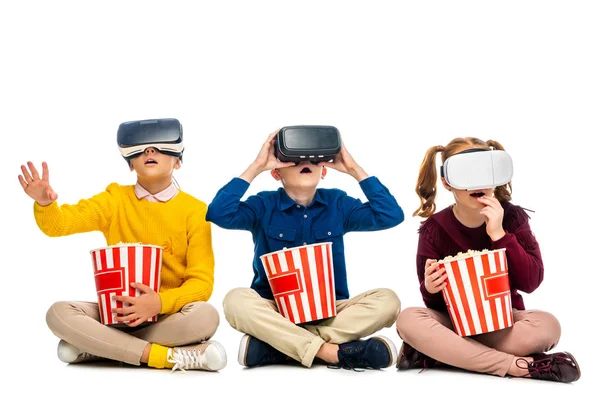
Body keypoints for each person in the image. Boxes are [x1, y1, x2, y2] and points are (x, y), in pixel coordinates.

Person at [18, 118, 226, 372]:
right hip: (116, 314)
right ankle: (164, 356)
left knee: (206, 316)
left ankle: (98, 348)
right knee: (58, 313)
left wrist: (158, 302)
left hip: (167, 316)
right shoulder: (115, 200)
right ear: (130, 163)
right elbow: (60, 225)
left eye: (160, 147)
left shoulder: (195, 211)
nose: (150, 151)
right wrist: (45, 203)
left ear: (178, 161)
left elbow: (202, 283)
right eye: (142, 148)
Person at [206, 128, 403, 370]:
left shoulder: (338, 203)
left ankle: (281, 346)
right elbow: (218, 213)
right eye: (295, 159)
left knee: (388, 301)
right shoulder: (263, 205)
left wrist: (353, 168)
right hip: (275, 308)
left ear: (324, 170)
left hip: (331, 309)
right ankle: (330, 352)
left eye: (313, 159)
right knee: (235, 300)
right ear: (276, 172)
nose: (305, 163)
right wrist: (257, 165)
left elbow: (390, 215)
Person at [395, 137, 580, 383]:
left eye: (484, 172)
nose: (477, 184)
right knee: (408, 319)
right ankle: (518, 366)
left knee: (548, 326)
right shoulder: (434, 228)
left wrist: (499, 235)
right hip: (454, 319)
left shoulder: (513, 218)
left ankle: (440, 353)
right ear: (447, 183)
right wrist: (430, 287)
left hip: (504, 318)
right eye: (465, 174)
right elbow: (432, 303)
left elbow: (531, 282)